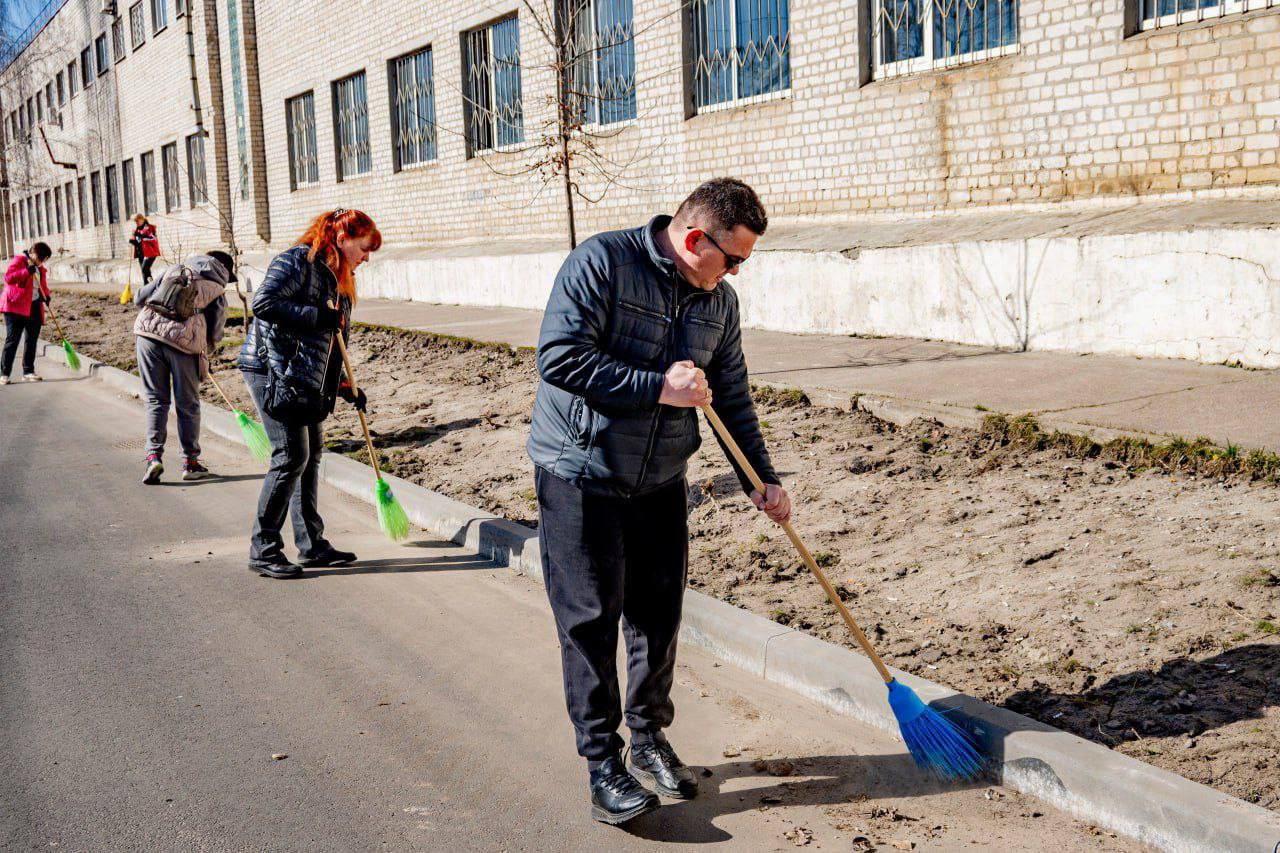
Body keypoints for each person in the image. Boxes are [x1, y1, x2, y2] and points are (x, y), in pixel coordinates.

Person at [527, 178, 792, 825]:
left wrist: (761, 478)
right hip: (581, 472)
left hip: (660, 479)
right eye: (733, 259)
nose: (736, 273)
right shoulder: (602, 263)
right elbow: (559, 358)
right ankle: (602, 763)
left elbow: (732, 396)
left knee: (658, 615)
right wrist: (658, 387)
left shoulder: (718, 303)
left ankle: (648, 737)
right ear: (695, 239)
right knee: (590, 620)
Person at [238, 209, 380, 579]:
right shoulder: (299, 261)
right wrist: (315, 316)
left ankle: (311, 544)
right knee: (290, 456)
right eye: (365, 248)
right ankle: (263, 549)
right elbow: (264, 303)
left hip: (303, 374)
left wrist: (343, 385)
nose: (367, 258)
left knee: (312, 454)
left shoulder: (338, 276)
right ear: (343, 239)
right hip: (271, 369)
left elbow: (329, 343)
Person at [133, 250, 232, 483]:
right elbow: (216, 329)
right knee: (187, 404)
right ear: (225, 271)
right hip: (184, 344)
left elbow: (139, 298)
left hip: (147, 336)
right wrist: (205, 349)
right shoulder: (217, 289)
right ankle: (190, 463)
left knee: (156, 400)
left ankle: (153, 457)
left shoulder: (174, 269)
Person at [1, 241, 53, 384]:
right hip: (15, 306)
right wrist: (26, 271)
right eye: (41, 258)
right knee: (12, 340)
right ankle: (4, 374)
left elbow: (42, 285)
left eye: (44, 260)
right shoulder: (19, 261)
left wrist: (46, 296)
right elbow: (8, 278)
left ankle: (28, 371)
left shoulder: (40, 269)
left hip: (34, 306)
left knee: (31, 340)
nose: (42, 262)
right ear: (33, 254)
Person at [129, 214, 161, 285]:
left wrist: (141, 236)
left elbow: (152, 238)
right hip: (141, 253)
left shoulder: (150, 227)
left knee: (144, 268)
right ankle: (147, 286)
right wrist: (133, 241)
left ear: (142, 219)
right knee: (144, 271)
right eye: (135, 222)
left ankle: (152, 284)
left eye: (137, 221)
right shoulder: (137, 230)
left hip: (150, 252)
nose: (136, 223)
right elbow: (139, 242)